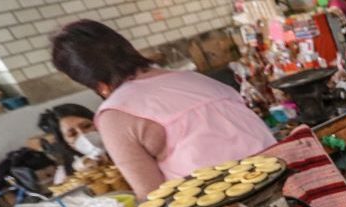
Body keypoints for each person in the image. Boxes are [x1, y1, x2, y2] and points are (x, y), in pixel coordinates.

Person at [50, 20, 276, 198]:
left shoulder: (116, 115)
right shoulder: (197, 79)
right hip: (287, 185)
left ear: (86, 78)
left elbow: (152, 196)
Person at [37, 103, 107, 183]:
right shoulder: (67, 176)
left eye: (87, 126)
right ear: (66, 143)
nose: (83, 135)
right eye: (72, 134)